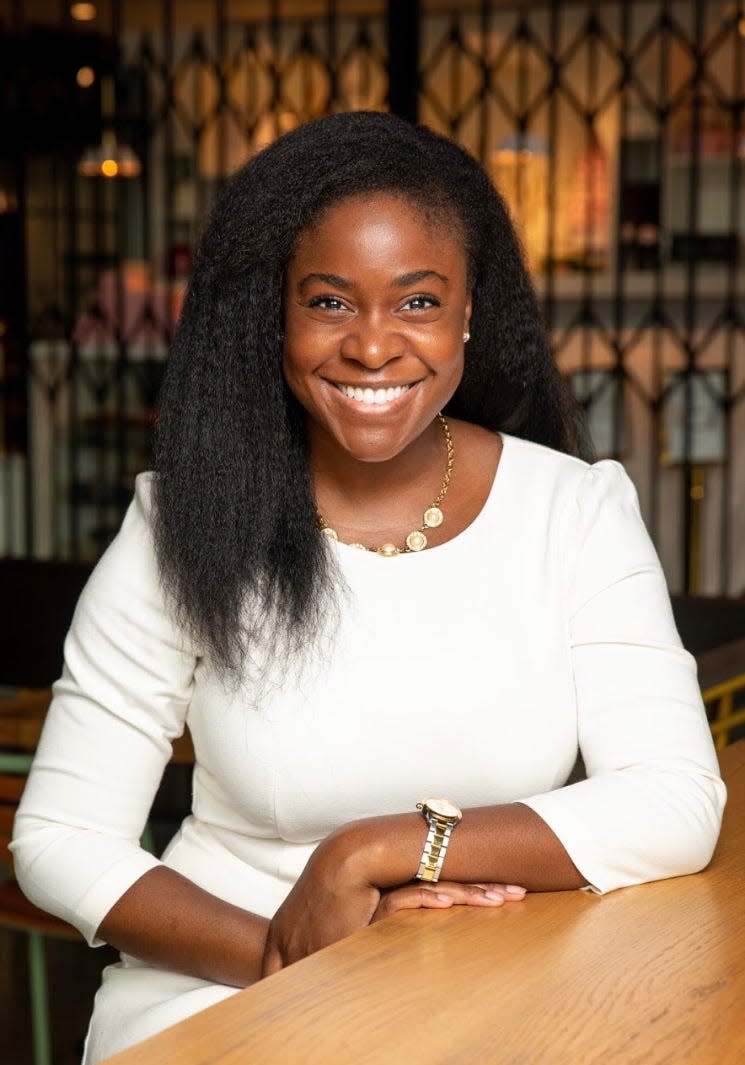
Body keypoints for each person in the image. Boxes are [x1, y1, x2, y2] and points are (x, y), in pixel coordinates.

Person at [11, 111, 725, 1063]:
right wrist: (281, 949)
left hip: (502, 983)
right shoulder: (182, 520)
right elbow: (58, 835)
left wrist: (377, 847)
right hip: (225, 991)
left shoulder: (574, 510)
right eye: (331, 302)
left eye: (418, 302)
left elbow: (676, 801)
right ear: (279, 313)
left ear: (471, 310)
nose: (374, 346)